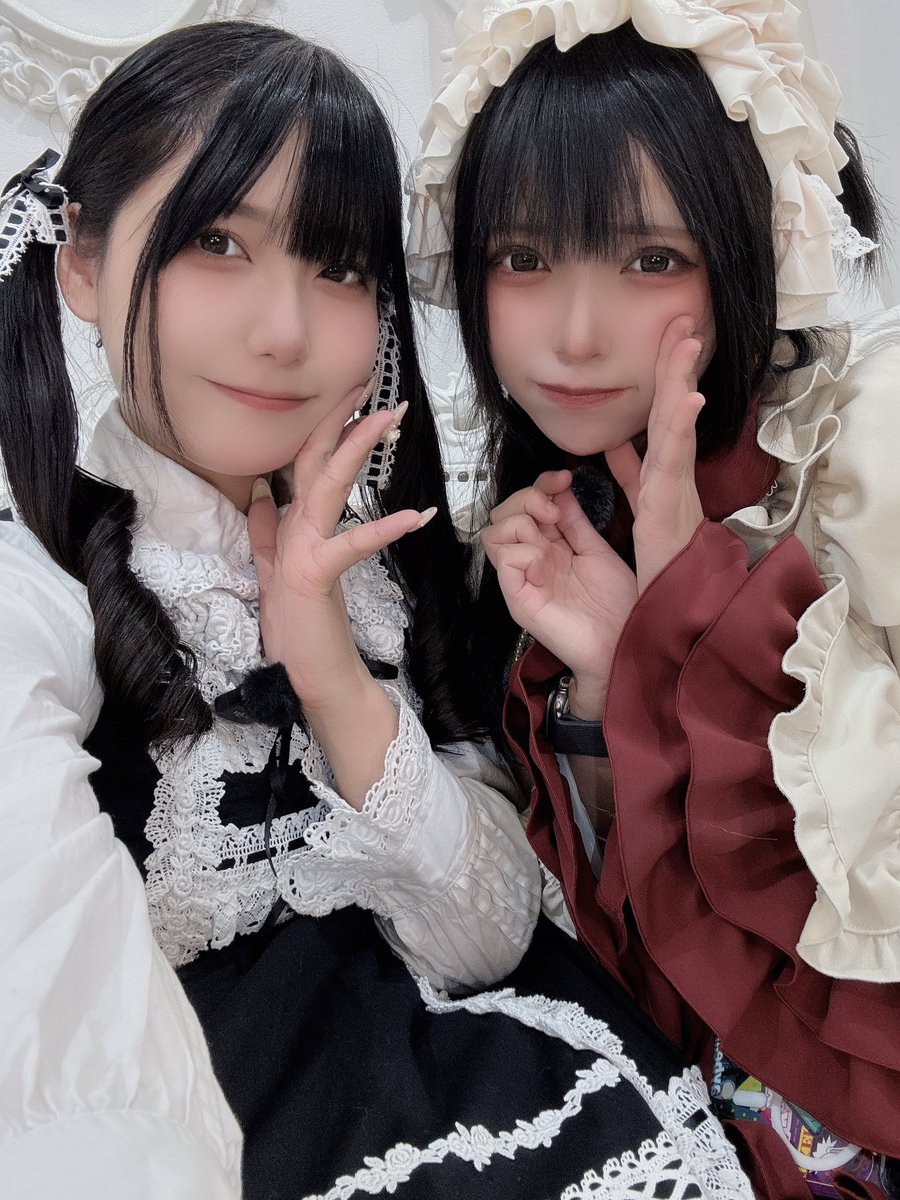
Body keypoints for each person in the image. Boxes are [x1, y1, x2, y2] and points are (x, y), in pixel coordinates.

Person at [0, 18, 755, 1200]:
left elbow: (488, 941)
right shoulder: (32, 591)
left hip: (515, 1097)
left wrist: (332, 677)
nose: (286, 332)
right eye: (215, 241)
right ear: (83, 263)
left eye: (341, 267)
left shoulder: (401, 574)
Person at [407, 2, 900, 1197]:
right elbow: (643, 966)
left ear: (748, 252)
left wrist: (704, 623)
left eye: (650, 260)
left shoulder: (864, 457)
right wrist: (610, 678)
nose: (576, 337)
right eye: (523, 260)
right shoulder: (540, 518)